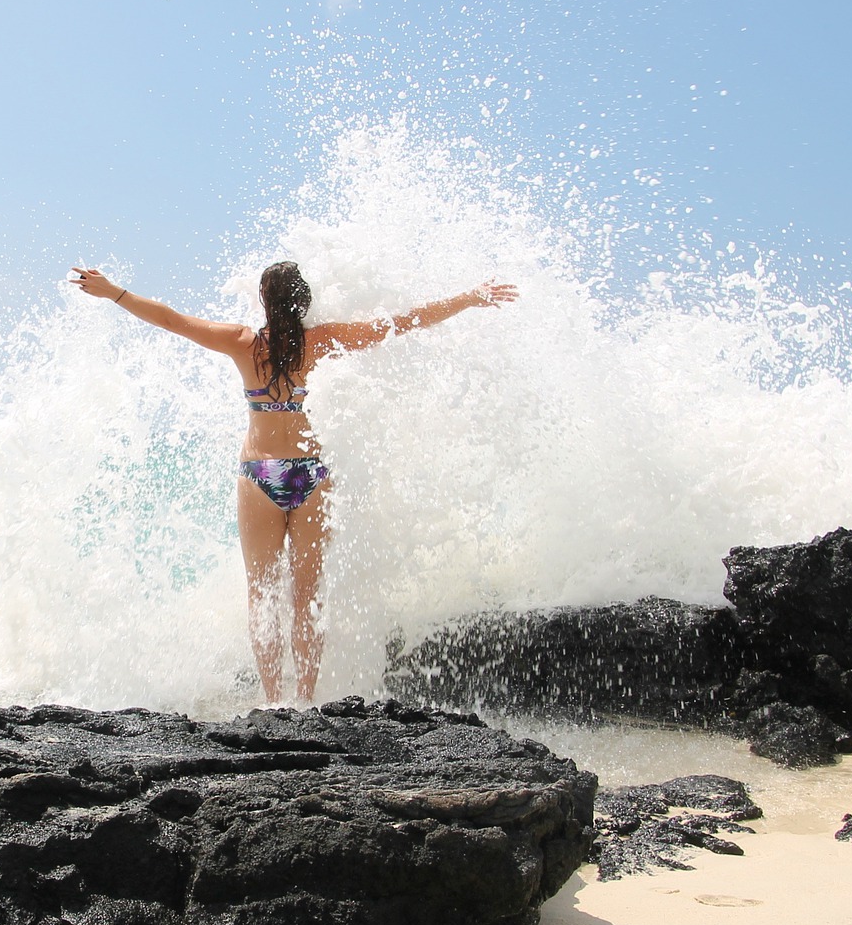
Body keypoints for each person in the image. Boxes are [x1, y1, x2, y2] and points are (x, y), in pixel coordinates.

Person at [71, 261, 518, 703]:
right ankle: (304, 699)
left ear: (264, 300)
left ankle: (272, 701)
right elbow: (400, 323)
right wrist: (469, 297)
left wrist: (113, 292)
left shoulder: (243, 343)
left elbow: (172, 320)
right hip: (311, 474)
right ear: (302, 299)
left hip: (259, 474)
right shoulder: (321, 342)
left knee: (263, 594)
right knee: (306, 596)